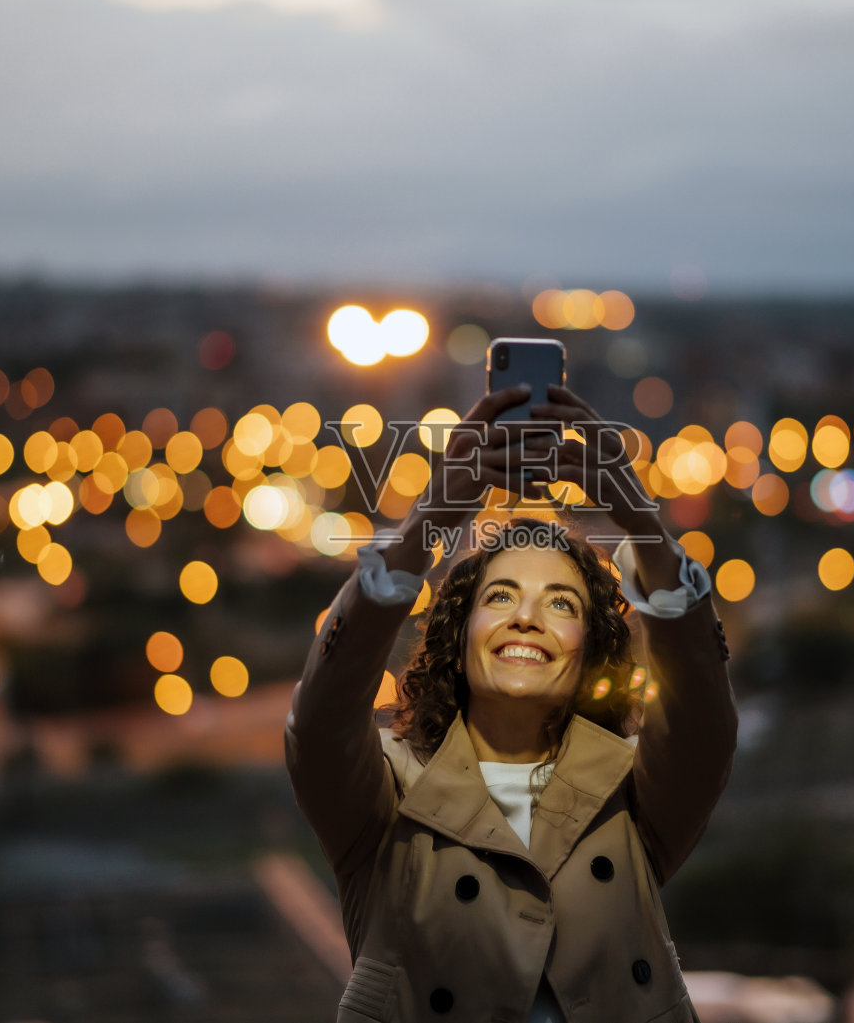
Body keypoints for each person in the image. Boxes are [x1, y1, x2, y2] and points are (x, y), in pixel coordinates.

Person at [285, 383, 739, 1023]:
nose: (527, 617)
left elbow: (702, 725)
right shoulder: (385, 795)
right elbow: (322, 719)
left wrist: (642, 521)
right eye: (499, 597)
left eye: (561, 603)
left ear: (589, 651)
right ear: (456, 634)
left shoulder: (631, 794)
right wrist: (432, 517)